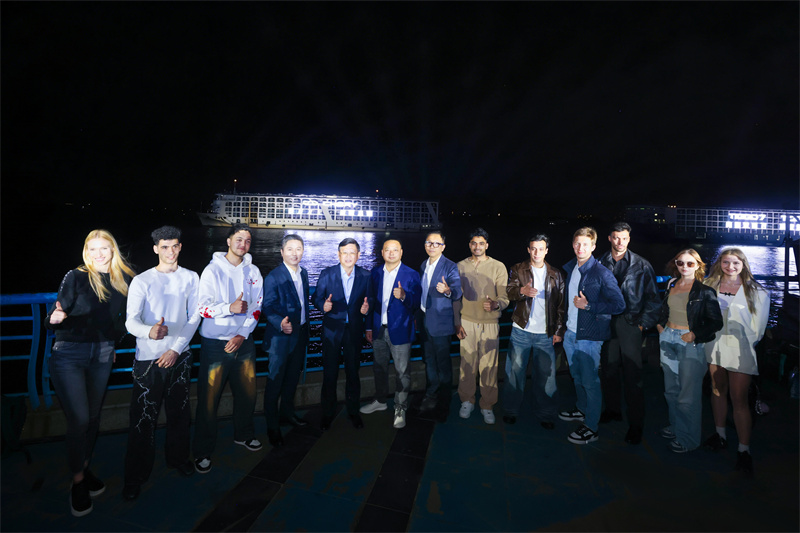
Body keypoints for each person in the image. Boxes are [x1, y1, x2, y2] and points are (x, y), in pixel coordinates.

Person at [45, 229, 136, 516]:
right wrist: (54, 318)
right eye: (93, 249)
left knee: (94, 418)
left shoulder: (124, 280)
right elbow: (56, 315)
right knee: (80, 419)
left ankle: (83, 468)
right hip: (69, 353)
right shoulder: (75, 276)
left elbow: (125, 320)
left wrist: (113, 342)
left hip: (103, 355)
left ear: (113, 250)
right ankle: (78, 482)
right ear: (87, 252)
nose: (99, 254)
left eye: (104, 248)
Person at [121, 226, 200, 500]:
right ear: (155, 248)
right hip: (149, 359)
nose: (170, 251)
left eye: (175, 246)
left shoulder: (191, 277)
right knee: (143, 419)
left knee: (180, 413)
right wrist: (150, 332)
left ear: (180, 247)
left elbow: (195, 316)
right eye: (164, 247)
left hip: (180, 356)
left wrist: (176, 349)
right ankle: (135, 476)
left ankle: (178, 459)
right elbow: (131, 322)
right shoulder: (142, 281)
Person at [193, 224, 263, 474]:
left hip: (243, 343)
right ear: (228, 241)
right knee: (208, 400)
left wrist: (242, 334)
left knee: (248, 394)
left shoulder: (253, 271)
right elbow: (202, 308)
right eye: (239, 239)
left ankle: (244, 434)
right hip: (215, 345)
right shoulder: (211, 271)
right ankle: (202, 450)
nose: (243, 244)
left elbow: (257, 306)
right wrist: (228, 308)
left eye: (247, 240)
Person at [702, 248, 770, 474]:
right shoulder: (709, 285)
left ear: (743, 265)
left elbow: (759, 328)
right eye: (726, 262)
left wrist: (745, 342)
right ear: (719, 263)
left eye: (735, 263)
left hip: (740, 348)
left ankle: (743, 449)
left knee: (739, 398)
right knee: (717, 390)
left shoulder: (757, 292)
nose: (730, 267)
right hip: (714, 344)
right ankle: (720, 434)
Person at [558, 227, 625, 445]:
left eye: (585, 244)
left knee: (590, 381)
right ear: (572, 244)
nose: (580, 248)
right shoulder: (571, 268)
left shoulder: (601, 272)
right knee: (577, 376)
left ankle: (591, 427)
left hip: (590, 337)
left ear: (594, 247)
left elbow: (619, 304)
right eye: (577, 243)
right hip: (571, 332)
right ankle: (582, 409)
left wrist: (589, 306)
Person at [598, 222, 661, 445]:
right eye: (616, 237)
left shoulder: (642, 265)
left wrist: (642, 325)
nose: (620, 242)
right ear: (609, 238)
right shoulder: (599, 262)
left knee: (633, 375)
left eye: (624, 238)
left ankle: (636, 424)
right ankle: (613, 410)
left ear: (629, 239)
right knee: (608, 370)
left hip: (631, 323)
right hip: (607, 323)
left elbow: (654, 299)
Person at [656, 249, 723, 453]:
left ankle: (688, 438)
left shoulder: (704, 291)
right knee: (671, 390)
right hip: (668, 338)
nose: (684, 267)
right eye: (680, 263)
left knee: (688, 394)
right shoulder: (671, 284)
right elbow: (664, 309)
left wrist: (695, 334)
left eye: (690, 263)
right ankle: (677, 426)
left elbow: (716, 322)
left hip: (689, 343)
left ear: (698, 266)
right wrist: (660, 326)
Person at [503, 234, 565, 430]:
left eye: (541, 248)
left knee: (547, 377)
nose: (537, 252)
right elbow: (509, 291)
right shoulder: (517, 269)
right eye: (533, 248)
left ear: (547, 250)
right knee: (514, 374)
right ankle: (511, 410)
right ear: (528, 250)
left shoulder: (556, 274)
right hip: (520, 331)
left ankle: (546, 413)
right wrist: (522, 291)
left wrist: (558, 330)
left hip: (546, 334)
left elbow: (561, 306)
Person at [360, 239, 421, 429]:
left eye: (395, 250)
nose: (391, 253)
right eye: (388, 250)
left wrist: (404, 296)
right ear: (382, 252)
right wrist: (368, 327)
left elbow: (416, 303)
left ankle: (400, 408)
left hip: (401, 330)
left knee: (402, 372)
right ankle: (380, 400)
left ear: (401, 252)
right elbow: (370, 301)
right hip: (379, 330)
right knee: (379, 368)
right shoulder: (375, 273)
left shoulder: (411, 274)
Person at [312, 238, 370, 431]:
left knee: (353, 372)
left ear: (358, 255)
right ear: (338, 254)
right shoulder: (327, 274)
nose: (348, 256)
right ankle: (327, 413)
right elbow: (316, 297)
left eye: (352, 252)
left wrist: (367, 308)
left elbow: (371, 300)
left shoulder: (366, 275)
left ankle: (353, 411)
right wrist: (323, 305)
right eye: (344, 252)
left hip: (354, 330)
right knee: (330, 373)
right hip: (331, 331)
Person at [453, 228, 509, 424]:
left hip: (490, 323)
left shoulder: (498, 266)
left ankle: (487, 404)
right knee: (466, 365)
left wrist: (496, 304)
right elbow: (455, 298)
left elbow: (504, 297)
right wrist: (457, 323)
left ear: (487, 245)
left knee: (489, 366)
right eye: (474, 243)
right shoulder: (459, 266)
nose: (477, 246)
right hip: (467, 322)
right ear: (470, 245)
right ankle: (467, 400)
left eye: (481, 243)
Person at [262, 234, 310, 447]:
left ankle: (287, 414)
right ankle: (272, 427)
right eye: (290, 249)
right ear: (282, 252)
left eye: (298, 249)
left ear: (303, 251)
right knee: (274, 384)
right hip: (280, 338)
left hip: (300, 335)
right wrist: (280, 323)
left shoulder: (304, 273)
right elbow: (267, 306)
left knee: (291, 380)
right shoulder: (274, 277)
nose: (294, 253)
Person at [417, 231, 462, 415]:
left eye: (437, 243)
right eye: (429, 242)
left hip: (441, 323)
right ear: (425, 245)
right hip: (424, 320)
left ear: (443, 247)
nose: (432, 246)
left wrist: (448, 290)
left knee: (443, 363)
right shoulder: (423, 265)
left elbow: (458, 291)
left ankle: (444, 399)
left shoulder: (450, 266)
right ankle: (431, 393)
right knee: (429, 360)